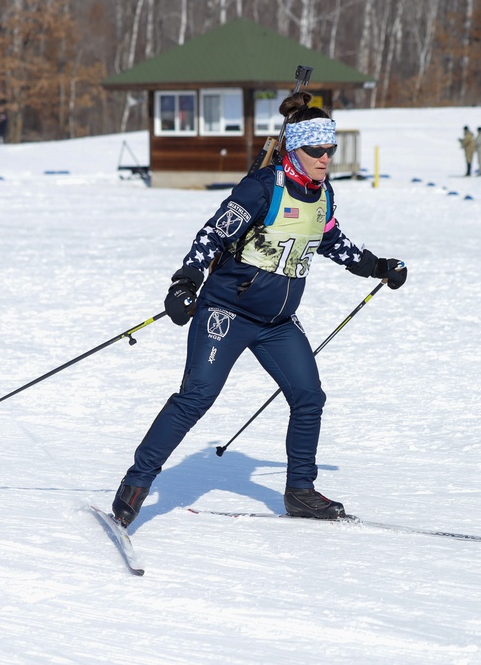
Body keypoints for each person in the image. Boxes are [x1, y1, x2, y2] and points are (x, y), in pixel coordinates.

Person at [110, 92, 408, 527]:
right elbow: (212, 234)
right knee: (197, 398)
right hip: (226, 313)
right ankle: (136, 485)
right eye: (316, 150)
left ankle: (301, 492)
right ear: (294, 149)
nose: (325, 158)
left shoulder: (322, 195)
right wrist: (186, 282)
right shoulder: (263, 187)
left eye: (331, 150)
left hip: (277, 323)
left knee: (309, 398)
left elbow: (331, 242)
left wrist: (379, 267)